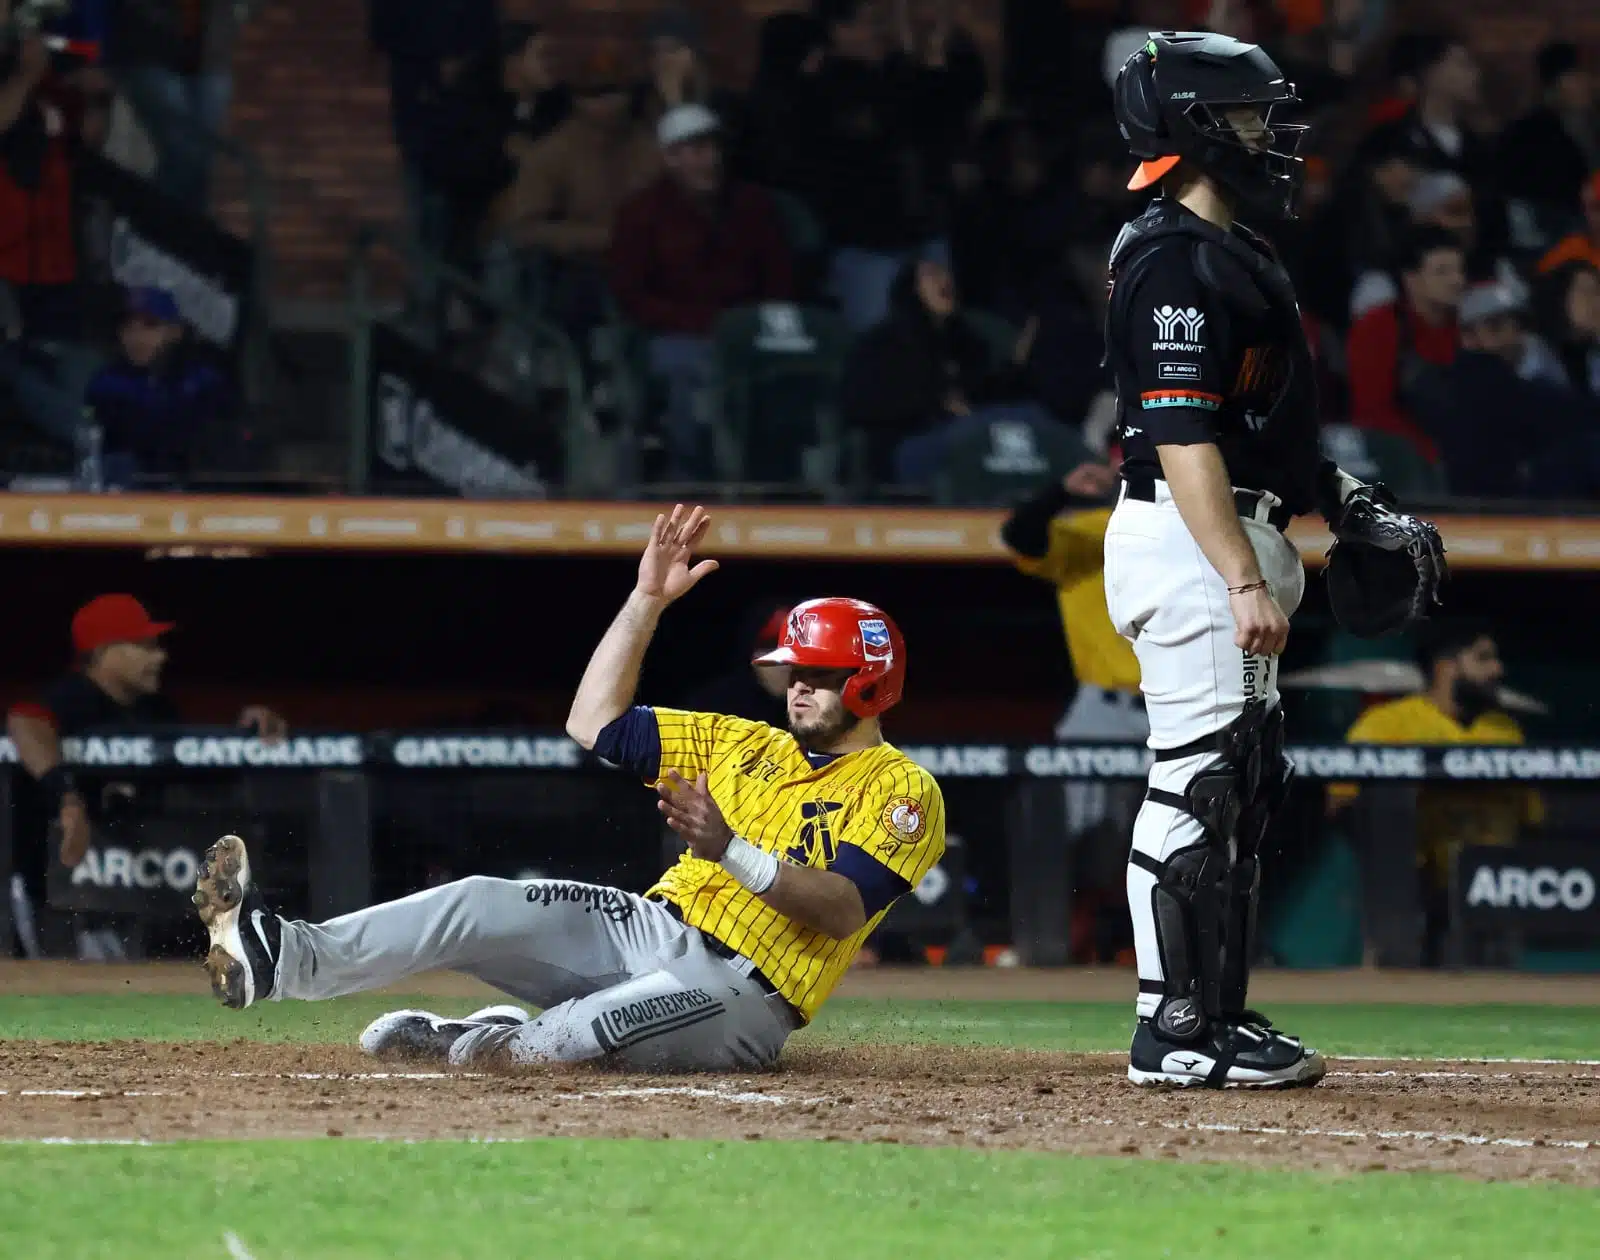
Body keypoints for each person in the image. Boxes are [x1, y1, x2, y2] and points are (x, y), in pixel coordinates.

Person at [192, 506, 947, 1073]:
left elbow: (845, 909)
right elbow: (595, 721)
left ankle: (475, 1040)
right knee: (478, 899)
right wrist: (646, 602)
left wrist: (729, 850)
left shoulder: (903, 789)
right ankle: (284, 959)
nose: (799, 687)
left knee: (555, 1048)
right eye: (797, 671)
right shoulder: (742, 741)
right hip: (651, 929)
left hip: (744, 996)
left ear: (870, 683)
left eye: (820, 675)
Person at [1103, 32, 1444, 1087]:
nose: (1274, 139)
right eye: (1253, 118)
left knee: (1242, 783)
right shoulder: (1170, 251)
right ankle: (1170, 1030)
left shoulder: (1229, 247)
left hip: (1230, 527)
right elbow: (1182, 433)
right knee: (1198, 778)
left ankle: (1218, 1015)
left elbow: (1265, 433)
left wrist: (1341, 503)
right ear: (1197, 127)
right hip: (1190, 535)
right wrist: (1241, 577)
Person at [5, 595, 287, 959]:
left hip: (128, 889)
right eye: (145, 646)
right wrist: (68, 797)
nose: (159, 656)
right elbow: (24, 719)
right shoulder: (73, 698)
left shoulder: (154, 709)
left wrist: (244, 731)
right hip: (52, 892)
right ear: (105, 652)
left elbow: (193, 769)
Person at [1329, 620, 1539, 967]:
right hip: (1410, 890)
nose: (1497, 670)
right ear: (1446, 666)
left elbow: (1533, 816)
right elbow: (1341, 803)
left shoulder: (1504, 730)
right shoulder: (1387, 724)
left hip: (1490, 894)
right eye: (1484, 659)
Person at [1001, 459, 1144, 960]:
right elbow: (1020, 535)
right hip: (1102, 707)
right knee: (1080, 831)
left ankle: (1155, 947)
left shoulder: (1197, 529)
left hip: (1180, 705)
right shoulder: (1090, 532)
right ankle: (1061, 943)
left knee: (1172, 835)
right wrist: (1060, 490)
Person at [609, 104, 796, 478]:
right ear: (671, 158)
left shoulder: (752, 205)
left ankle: (776, 480)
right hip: (678, 332)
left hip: (749, 330)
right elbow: (631, 294)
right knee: (687, 375)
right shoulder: (641, 213)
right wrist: (697, 323)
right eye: (695, 151)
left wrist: (757, 324)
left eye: (712, 149)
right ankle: (692, 479)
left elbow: (778, 277)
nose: (708, 160)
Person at [84, 286, 230, 488]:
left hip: (194, 496)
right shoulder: (106, 382)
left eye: (150, 325)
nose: (137, 336)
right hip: (124, 495)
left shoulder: (202, 379)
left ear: (175, 332)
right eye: (128, 327)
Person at [1345, 225, 1464, 462]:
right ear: (1411, 279)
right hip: (1398, 459)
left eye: (1460, 270)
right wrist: (1429, 454)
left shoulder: (1468, 327)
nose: (1456, 281)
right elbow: (1373, 412)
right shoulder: (1379, 327)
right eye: (1442, 272)